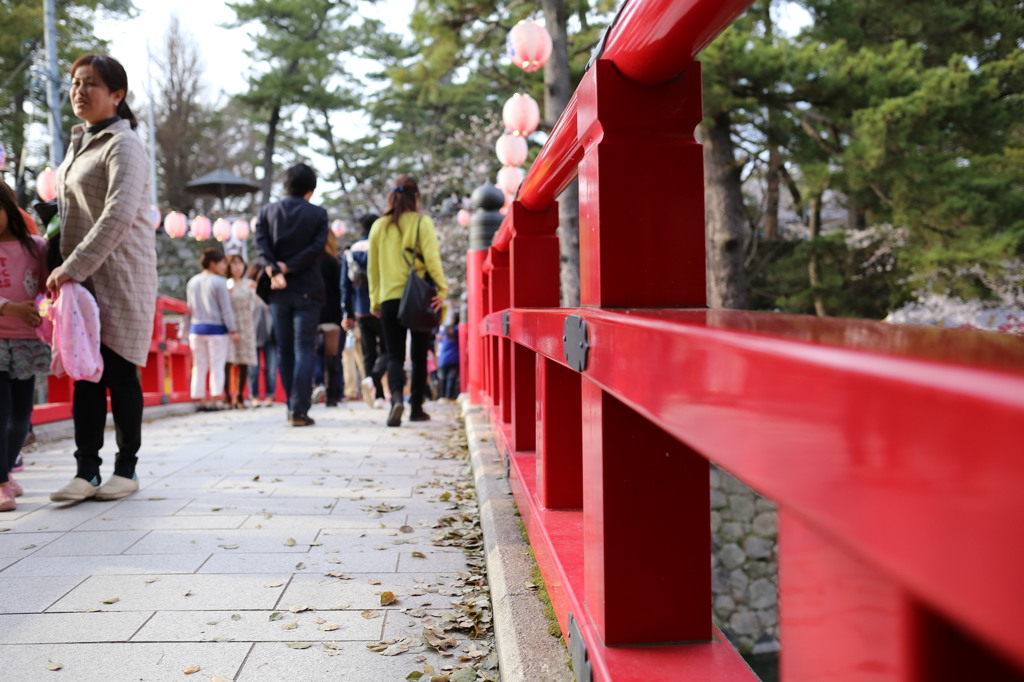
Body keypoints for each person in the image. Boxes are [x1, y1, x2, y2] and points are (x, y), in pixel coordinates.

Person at [47, 54, 158, 503]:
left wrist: (70, 265)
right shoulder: (79, 141)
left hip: (119, 276)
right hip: (82, 278)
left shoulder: (124, 143)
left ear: (117, 94)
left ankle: (126, 469)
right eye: (75, 83)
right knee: (85, 374)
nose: (79, 91)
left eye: (90, 83)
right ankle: (85, 470)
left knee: (118, 371)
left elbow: (116, 216)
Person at [368, 175, 447, 427]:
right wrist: (442, 290)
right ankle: (416, 408)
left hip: (389, 298)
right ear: (416, 197)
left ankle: (395, 402)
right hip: (417, 297)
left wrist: (374, 300)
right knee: (420, 353)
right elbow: (432, 259)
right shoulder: (422, 222)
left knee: (393, 354)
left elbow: (372, 269)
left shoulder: (378, 226)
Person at [254, 163, 328, 427]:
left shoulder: (267, 212)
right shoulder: (318, 214)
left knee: (285, 350)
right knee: (305, 347)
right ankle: (299, 408)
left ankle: (290, 405)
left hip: (277, 290)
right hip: (307, 287)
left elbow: (260, 243)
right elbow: (317, 248)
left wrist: (275, 267)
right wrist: (290, 265)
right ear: (310, 190)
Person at [0, 179, 49, 511]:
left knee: (21, 414)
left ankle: (5, 469)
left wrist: (39, 310)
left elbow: (50, 288)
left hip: (29, 339)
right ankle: (2, 481)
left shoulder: (37, 247)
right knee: (0, 410)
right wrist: (10, 307)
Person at [342, 212, 387, 408]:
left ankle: (376, 393)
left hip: (361, 309)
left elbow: (345, 286)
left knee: (369, 352)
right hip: (382, 306)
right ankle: (376, 379)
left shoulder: (351, 252)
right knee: (387, 349)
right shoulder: (380, 247)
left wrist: (348, 314)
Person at [185, 248, 237, 412]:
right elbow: (225, 309)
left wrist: (184, 330)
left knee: (199, 365)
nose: (224, 267)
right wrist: (233, 329)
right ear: (213, 263)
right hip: (217, 330)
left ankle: (200, 400)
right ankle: (215, 399)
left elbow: (189, 309)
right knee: (217, 365)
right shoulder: (219, 282)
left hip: (196, 329)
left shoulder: (192, 281)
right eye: (222, 263)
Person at [223, 254, 257, 408]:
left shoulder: (249, 284)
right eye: (234, 264)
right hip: (229, 325)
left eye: (240, 264)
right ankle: (227, 396)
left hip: (246, 325)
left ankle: (240, 396)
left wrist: (256, 290)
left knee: (244, 361)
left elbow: (259, 303)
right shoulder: (224, 284)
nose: (237, 267)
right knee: (227, 361)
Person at [316, 231, 343, 407]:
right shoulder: (334, 262)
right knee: (332, 356)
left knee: (312, 353)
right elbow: (339, 289)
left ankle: (317, 385)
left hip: (313, 312)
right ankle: (333, 395)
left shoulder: (310, 262)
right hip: (332, 314)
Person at [247, 263, 276, 407]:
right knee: (254, 368)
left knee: (271, 368)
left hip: (271, 333)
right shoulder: (249, 290)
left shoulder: (273, 289)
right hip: (253, 332)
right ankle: (254, 396)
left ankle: (270, 396)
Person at [437, 314, 460, 400]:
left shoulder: (445, 332)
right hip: (453, 359)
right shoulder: (457, 330)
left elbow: (438, 338)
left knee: (443, 379)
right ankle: (448, 396)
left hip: (443, 359)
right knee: (451, 379)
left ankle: (442, 396)